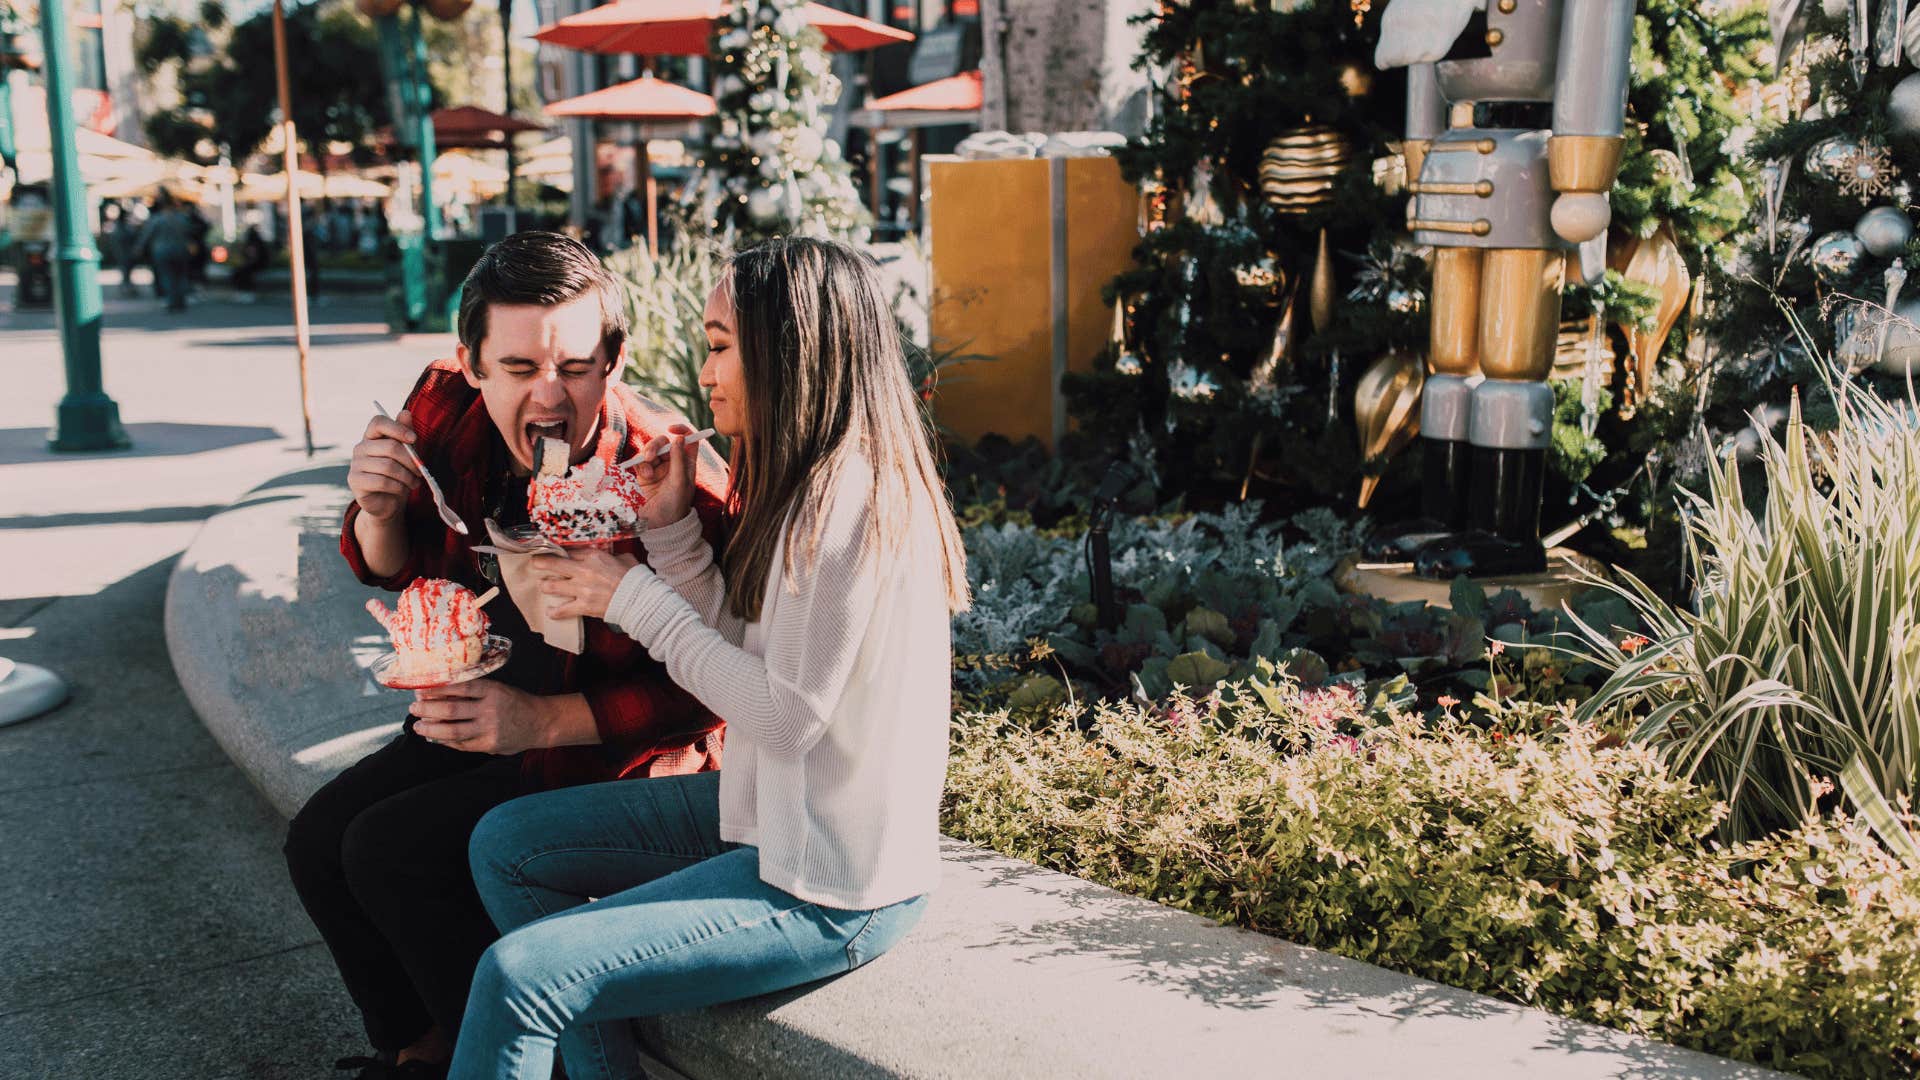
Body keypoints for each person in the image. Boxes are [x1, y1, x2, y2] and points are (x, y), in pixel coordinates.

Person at [451, 236, 971, 1079]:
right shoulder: (809, 479)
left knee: (521, 977)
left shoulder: (849, 506)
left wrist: (629, 597)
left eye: (722, 346)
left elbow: (782, 717)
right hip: (774, 819)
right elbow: (744, 660)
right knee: (507, 844)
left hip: (834, 886)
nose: (705, 372)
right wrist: (671, 534)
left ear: (789, 349)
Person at [283, 230, 732, 1080]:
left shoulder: (673, 478)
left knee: (393, 846)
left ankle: (499, 1062)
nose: (550, 397)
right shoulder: (444, 414)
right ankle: (422, 1052)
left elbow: (718, 688)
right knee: (318, 843)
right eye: (520, 369)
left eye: (575, 367)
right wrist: (376, 510)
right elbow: (395, 559)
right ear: (472, 363)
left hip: (611, 747)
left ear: (614, 358)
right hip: (477, 704)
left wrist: (544, 719)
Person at [138, 192, 193, 312]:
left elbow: (146, 236)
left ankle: (171, 300)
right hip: (180, 249)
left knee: (167, 276)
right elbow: (190, 233)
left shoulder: (157, 219)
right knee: (181, 276)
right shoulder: (182, 218)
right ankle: (181, 300)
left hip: (162, 251)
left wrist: (139, 248)